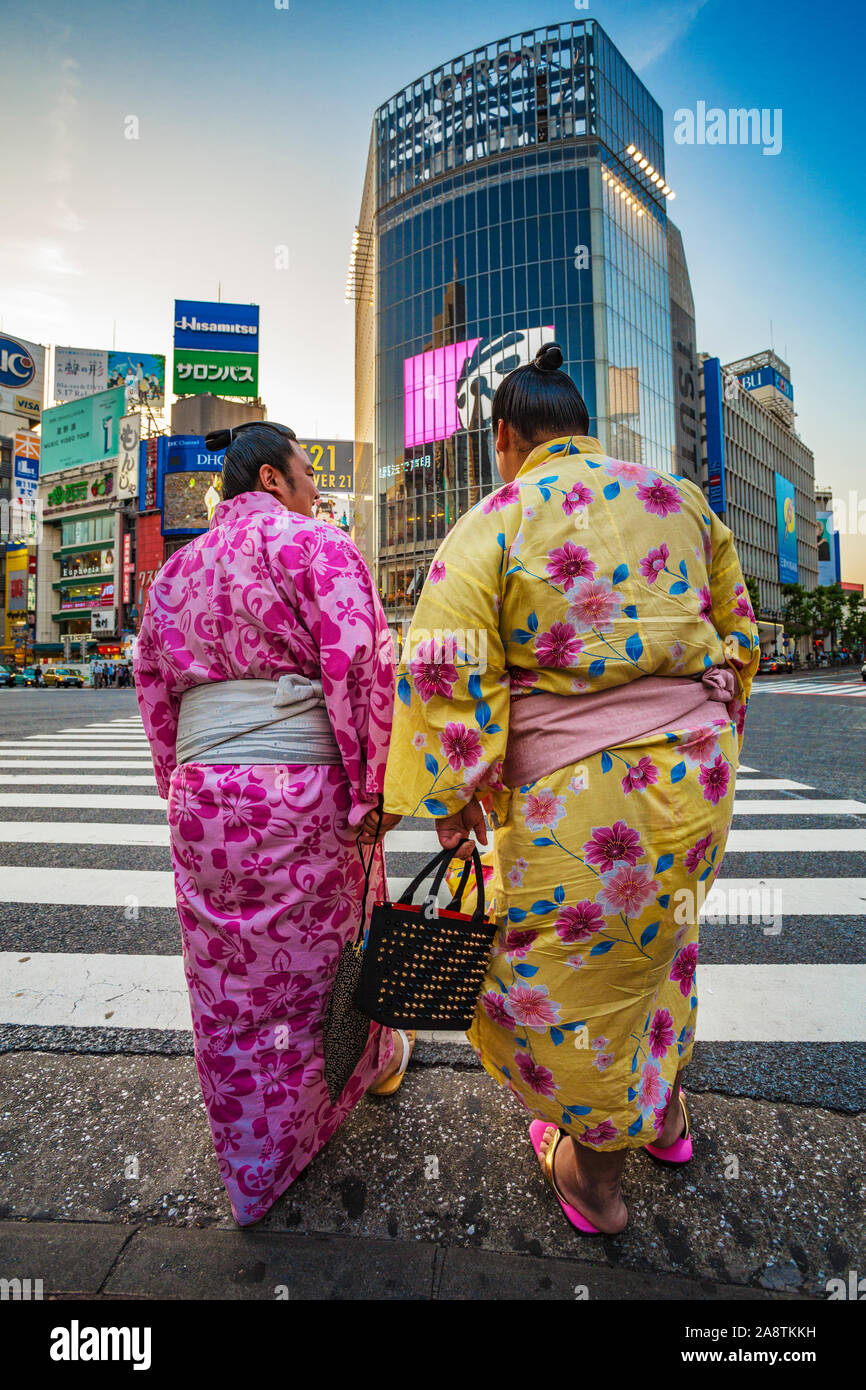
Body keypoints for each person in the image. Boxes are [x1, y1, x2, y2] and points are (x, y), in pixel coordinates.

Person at [383, 343, 760, 1236]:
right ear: (583, 429)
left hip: (582, 800)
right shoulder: (679, 501)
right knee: (659, 949)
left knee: (569, 981)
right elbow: (738, 638)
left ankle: (595, 1177)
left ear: (504, 436)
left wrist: (452, 794)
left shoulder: (497, 519)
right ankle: (662, 1113)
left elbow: (444, 664)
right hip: (696, 777)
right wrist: (695, 732)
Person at [135, 421, 406, 1227]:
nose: (316, 489)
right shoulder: (313, 546)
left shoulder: (174, 573)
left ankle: (253, 1167)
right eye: (307, 473)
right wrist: (372, 792)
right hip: (306, 794)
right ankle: (362, 1068)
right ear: (271, 478)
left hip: (205, 798)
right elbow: (361, 665)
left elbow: (156, 699)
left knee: (231, 987)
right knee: (324, 963)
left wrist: (177, 786)